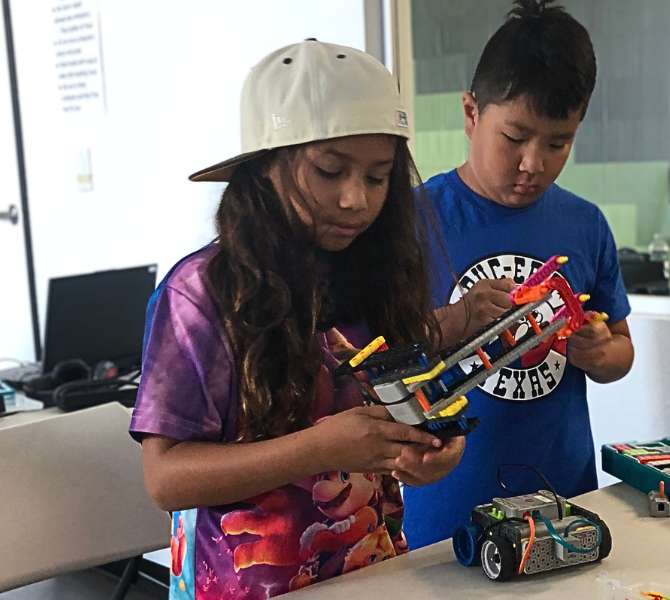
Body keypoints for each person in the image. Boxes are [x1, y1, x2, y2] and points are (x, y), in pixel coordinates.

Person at [129, 40, 464, 599]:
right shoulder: (200, 294)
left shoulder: (378, 274)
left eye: (379, 176)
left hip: (375, 576)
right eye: (330, 171)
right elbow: (165, 479)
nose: (355, 200)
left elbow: (408, 402)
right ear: (264, 169)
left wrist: (433, 449)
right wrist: (320, 449)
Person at [401, 0, 635, 549]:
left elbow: (621, 348)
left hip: (564, 503)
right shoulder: (413, 223)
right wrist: (456, 320)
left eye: (558, 143)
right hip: (445, 508)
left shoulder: (585, 224)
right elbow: (378, 359)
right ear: (470, 113)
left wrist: (602, 353)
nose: (534, 163)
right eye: (515, 137)